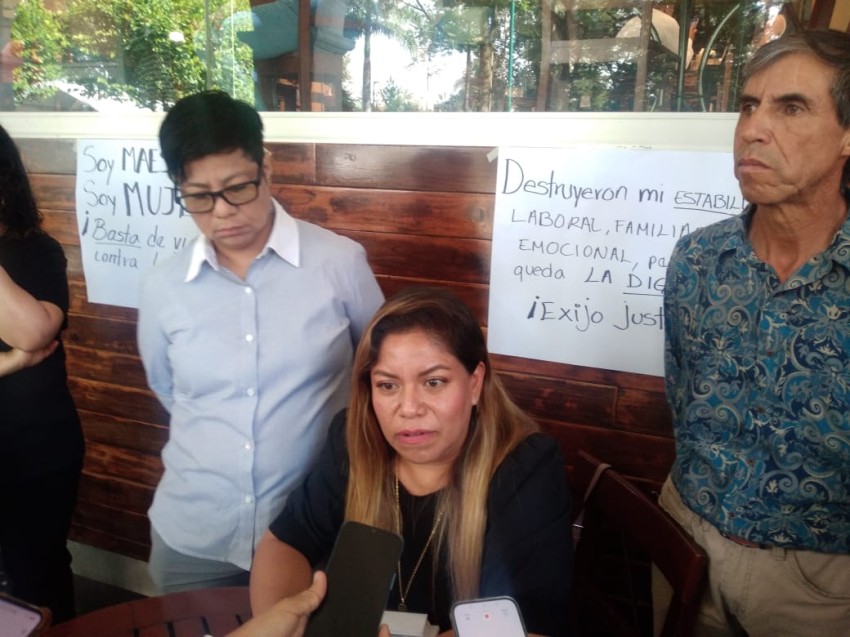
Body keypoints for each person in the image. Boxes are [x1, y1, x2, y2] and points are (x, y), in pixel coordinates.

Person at [137, 90, 384, 593]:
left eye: (238, 188)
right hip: (194, 536)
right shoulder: (163, 286)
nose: (222, 212)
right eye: (199, 196)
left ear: (266, 168)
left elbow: (382, 373)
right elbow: (169, 390)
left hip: (313, 532)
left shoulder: (339, 264)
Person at [661, 30, 850, 636]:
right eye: (748, 106)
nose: (753, 129)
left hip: (823, 583)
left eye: (791, 108)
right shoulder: (697, 260)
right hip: (685, 539)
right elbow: (682, 395)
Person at [249, 286, 573, 636]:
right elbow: (286, 541)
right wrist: (283, 625)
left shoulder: (526, 467)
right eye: (388, 386)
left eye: (434, 382)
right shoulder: (353, 441)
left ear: (475, 383)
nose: (408, 408)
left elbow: (519, 625)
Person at [0, 124, 84, 622]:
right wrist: (10, 362)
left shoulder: (36, 251)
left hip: (38, 449)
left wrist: (22, 353)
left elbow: (33, 332)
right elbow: (24, 350)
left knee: (38, 575)